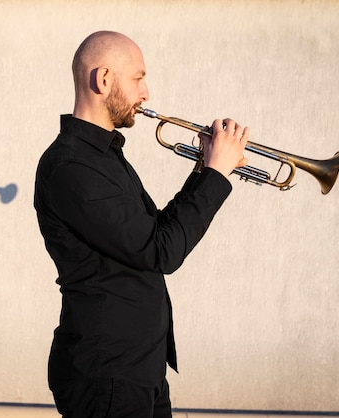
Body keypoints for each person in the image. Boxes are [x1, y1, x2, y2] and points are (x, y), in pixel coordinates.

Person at [34, 31, 249, 418]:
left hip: (138, 368)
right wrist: (216, 174)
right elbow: (161, 251)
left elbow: (154, 235)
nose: (146, 92)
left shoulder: (103, 157)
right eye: (138, 78)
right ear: (103, 80)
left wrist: (204, 171)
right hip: (107, 375)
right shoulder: (71, 166)